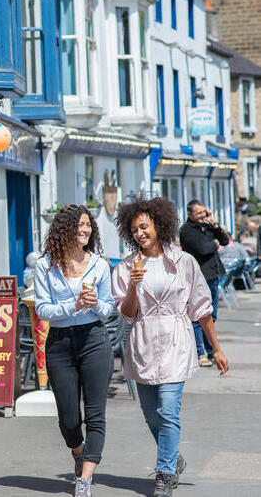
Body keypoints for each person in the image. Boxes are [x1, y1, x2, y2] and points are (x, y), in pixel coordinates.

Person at [113, 196, 229, 497]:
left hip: (176, 341)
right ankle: (173, 456)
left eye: (144, 227)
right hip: (143, 343)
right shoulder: (126, 267)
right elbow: (126, 314)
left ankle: (164, 474)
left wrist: (216, 348)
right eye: (134, 229)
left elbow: (202, 308)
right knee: (151, 415)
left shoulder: (183, 261)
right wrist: (133, 285)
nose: (140, 233)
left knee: (168, 410)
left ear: (158, 225)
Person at [34, 204, 114, 497]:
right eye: (79, 225)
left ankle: (85, 479)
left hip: (94, 339)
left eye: (88, 225)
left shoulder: (100, 265)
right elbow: (43, 309)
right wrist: (74, 305)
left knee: (95, 414)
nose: (85, 230)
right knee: (69, 418)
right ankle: (79, 453)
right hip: (60, 343)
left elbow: (109, 307)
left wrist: (95, 305)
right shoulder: (45, 265)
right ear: (64, 229)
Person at [179, 200, 229, 367]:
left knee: (210, 316)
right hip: (199, 277)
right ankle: (200, 353)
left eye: (204, 212)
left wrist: (214, 223)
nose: (203, 216)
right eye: (199, 213)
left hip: (213, 274)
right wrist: (215, 244)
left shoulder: (208, 227)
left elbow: (224, 240)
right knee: (198, 316)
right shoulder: (186, 230)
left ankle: (211, 351)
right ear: (190, 214)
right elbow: (203, 249)